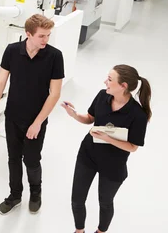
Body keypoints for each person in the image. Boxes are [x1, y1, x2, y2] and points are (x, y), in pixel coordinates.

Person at [0, 14, 64, 215]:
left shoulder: (55, 56)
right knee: (13, 158)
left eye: (48, 35)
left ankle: (36, 193)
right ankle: (15, 195)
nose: (46, 40)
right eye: (41, 36)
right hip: (13, 116)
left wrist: (38, 122)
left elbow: (55, 93)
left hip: (36, 119)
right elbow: (0, 83)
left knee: (31, 159)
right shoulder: (12, 51)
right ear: (28, 34)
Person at [62, 65, 151, 233]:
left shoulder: (138, 115)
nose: (105, 82)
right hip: (88, 155)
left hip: (113, 164)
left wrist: (107, 138)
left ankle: (101, 231)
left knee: (105, 202)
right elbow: (90, 118)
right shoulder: (103, 96)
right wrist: (74, 114)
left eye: (110, 80)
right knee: (77, 199)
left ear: (123, 86)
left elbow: (133, 147)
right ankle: (79, 231)